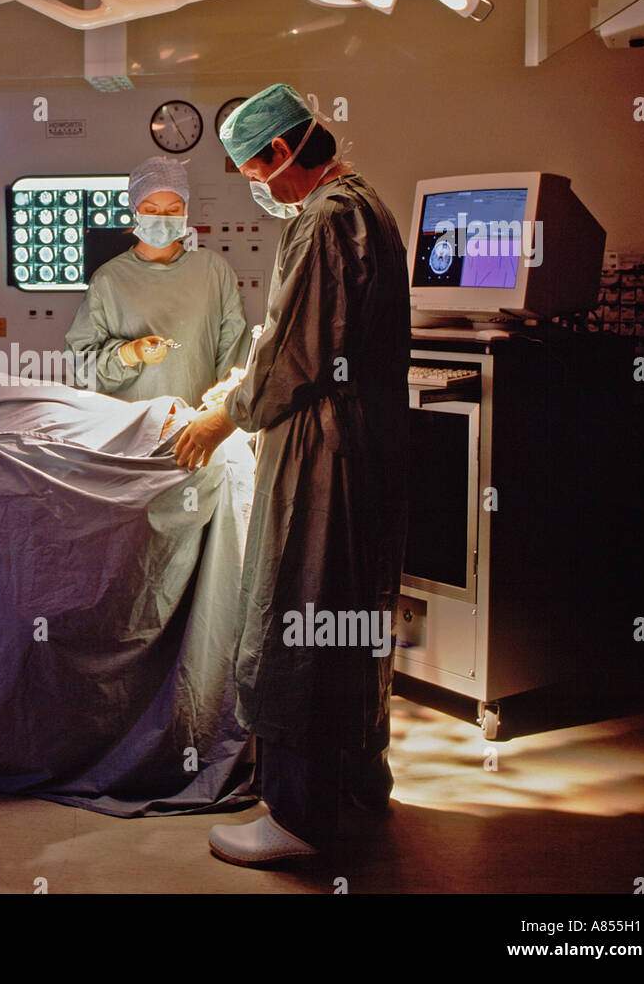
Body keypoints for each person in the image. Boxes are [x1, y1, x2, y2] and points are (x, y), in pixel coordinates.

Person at [173, 85, 410, 864]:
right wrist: (243, 378)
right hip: (362, 447)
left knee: (301, 612)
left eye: (252, 172)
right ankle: (359, 778)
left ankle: (299, 819)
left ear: (281, 154)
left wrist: (225, 413)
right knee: (352, 616)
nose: (256, 189)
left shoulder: (325, 217)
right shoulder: (365, 204)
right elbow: (296, 332)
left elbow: (298, 353)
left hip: (323, 456)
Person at [65, 156, 249, 406]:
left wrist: (222, 415)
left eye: (173, 209)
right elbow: (82, 369)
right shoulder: (108, 280)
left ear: (186, 209)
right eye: (151, 210)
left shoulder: (214, 270)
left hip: (198, 425)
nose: (163, 218)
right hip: (131, 427)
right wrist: (128, 354)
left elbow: (234, 358)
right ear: (134, 210)